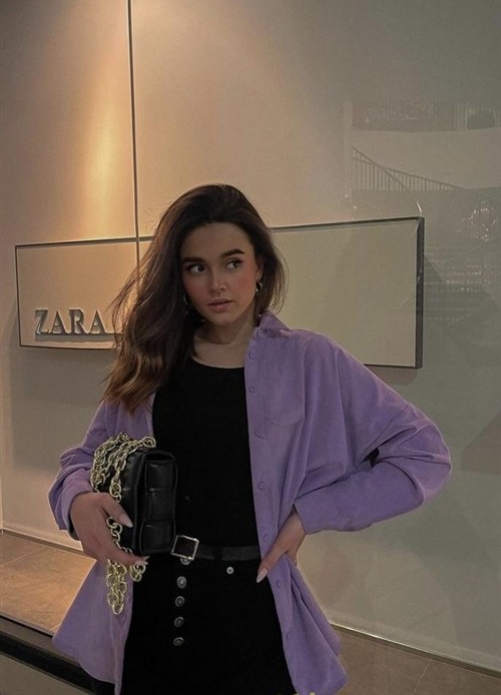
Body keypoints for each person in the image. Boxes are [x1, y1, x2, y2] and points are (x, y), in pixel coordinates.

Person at [49, 184, 451, 695]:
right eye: (197, 267)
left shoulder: (310, 361)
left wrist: (311, 513)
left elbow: (424, 455)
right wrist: (76, 501)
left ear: (260, 266)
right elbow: (83, 458)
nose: (217, 283)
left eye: (233, 262)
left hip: (253, 611)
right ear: (179, 277)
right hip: (146, 610)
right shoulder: (152, 363)